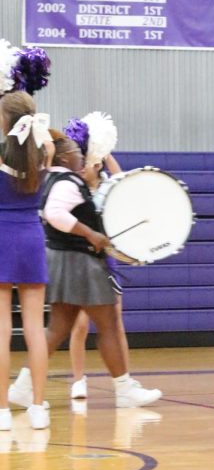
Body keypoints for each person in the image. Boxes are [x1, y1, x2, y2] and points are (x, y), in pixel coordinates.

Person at [9, 133, 161, 410]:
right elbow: (56, 214)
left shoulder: (49, 177)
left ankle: (23, 387)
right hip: (80, 263)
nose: (83, 158)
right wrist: (90, 233)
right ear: (66, 157)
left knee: (57, 328)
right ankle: (124, 390)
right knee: (109, 325)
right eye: (79, 153)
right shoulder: (68, 181)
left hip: (64, 260)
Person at [63, 113, 124, 400]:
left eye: (91, 160)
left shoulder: (109, 185)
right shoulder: (74, 188)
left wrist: (104, 149)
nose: (86, 165)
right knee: (81, 324)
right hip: (81, 260)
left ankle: (123, 381)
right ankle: (78, 379)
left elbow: (123, 179)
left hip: (106, 262)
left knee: (116, 322)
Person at [0, 92, 52, 430]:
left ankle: (2, 411)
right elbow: (48, 137)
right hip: (32, 235)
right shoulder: (44, 152)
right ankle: (36, 408)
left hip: (2, 234)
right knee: (35, 328)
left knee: (1, 329)